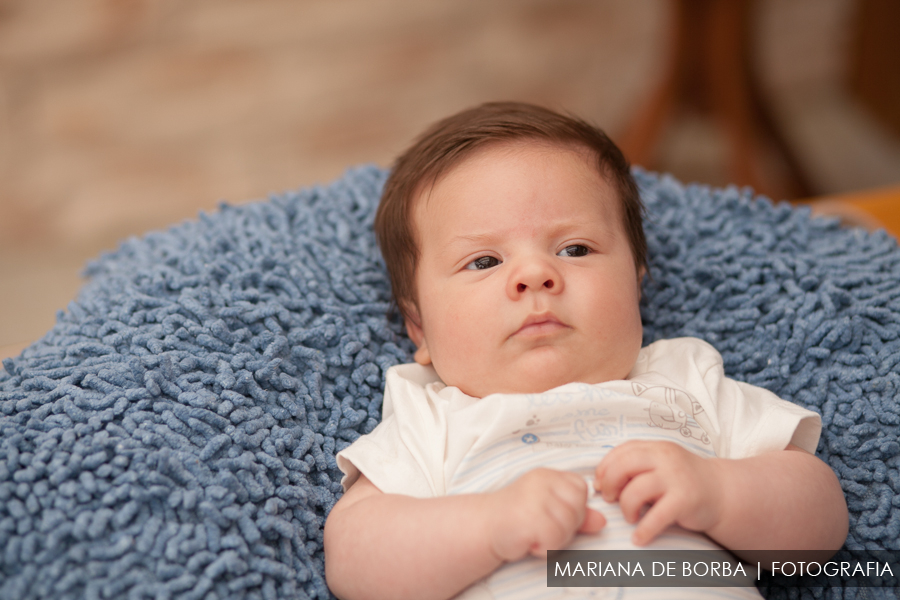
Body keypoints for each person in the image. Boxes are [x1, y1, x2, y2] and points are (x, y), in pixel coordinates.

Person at [323, 102, 848, 600]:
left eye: (574, 249)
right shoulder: (432, 416)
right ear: (419, 328)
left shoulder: (683, 378)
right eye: (483, 261)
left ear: (635, 286)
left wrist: (718, 492)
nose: (535, 275)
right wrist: (488, 526)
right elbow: (354, 557)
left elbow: (820, 526)